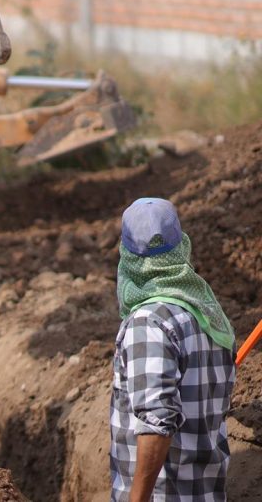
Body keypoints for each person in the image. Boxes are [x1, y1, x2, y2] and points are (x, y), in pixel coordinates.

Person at [110, 198, 236, 501]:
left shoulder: (148, 322)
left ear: (127, 255)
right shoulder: (206, 315)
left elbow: (157, 423)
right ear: (181, 246)